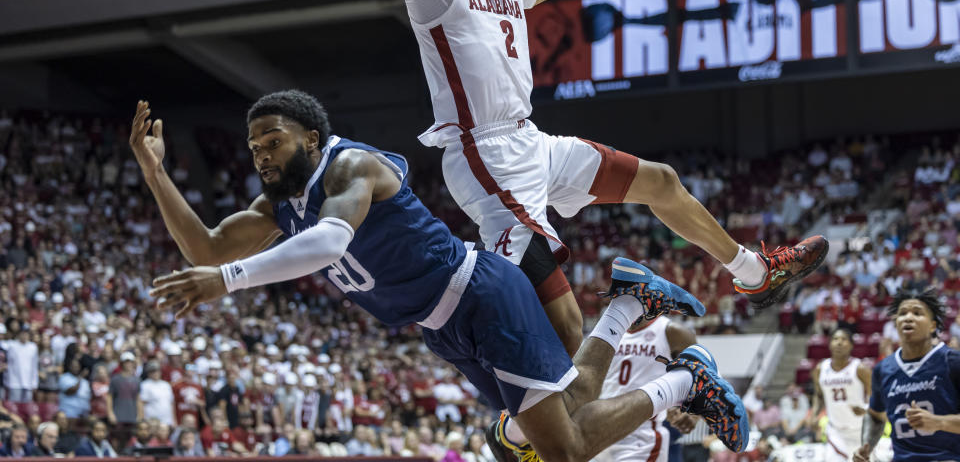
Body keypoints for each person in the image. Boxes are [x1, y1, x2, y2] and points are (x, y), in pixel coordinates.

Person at [212, 0, 829, 362]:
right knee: (563, 325)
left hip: (533, 141)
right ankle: (532, 416)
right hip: (484, 156)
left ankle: (750, 272)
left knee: (661, 181)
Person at [133, 93, 748, 462]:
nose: (261, 153)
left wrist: (229, 279)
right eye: (253, 146)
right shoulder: (278, 207)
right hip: (441, 325)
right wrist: (156, 173)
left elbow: (329, 242)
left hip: (478, 296)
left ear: (310, 139)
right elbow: (205, 245)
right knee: (570, 409)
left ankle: (681, 382)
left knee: (561, 452)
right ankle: (625, 305)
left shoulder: (353, 166)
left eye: (273, 140)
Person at [853, 287, 960, 462]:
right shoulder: (883, 369)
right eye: (902, 313)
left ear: (933, 325)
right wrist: (866, 446)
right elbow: (875, 415)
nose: (908, 318)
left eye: (917, 313)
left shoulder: (953, 361)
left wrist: (938, 422)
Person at [592, 315, 700, 462]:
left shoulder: (672, 331)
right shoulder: (605, 327)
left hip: (641, 436)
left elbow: (705, 378)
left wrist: (693, 412)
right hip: (598, 432)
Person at [810, 328, 871, 461]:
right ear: (830, 344)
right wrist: (814, 415)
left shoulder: (860, 368)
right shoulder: (821, 369)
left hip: (860, 431)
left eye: (843, 339)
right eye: (835, 339)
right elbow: (819, 395)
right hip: (836, 431)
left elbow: (876, 396)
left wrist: (866, 409)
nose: (839, 343)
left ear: (851, 345)